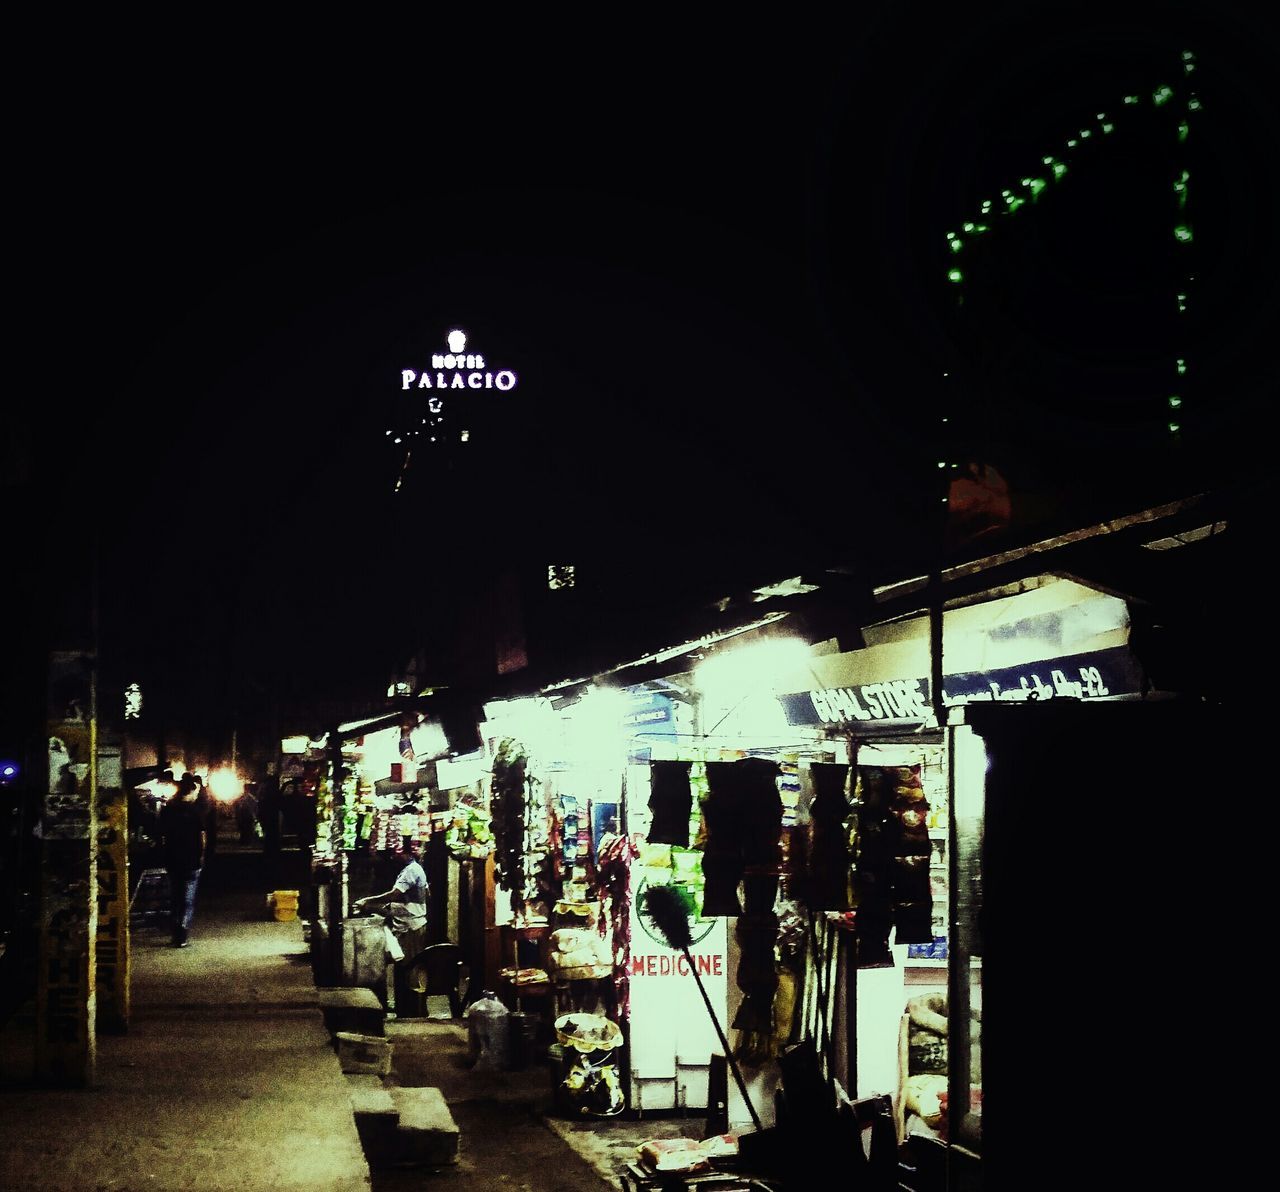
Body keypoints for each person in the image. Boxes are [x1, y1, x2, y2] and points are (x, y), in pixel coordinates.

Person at [353, 839, 430, 1001]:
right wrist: (392, 906)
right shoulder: (416, 869)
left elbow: (395, 893)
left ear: (406, 853)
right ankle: (411, 1006)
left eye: (398, 852)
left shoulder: (410, 870)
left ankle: (410, 1008)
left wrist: (368, 900)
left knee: (408, 967)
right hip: (414, 924)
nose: (394, 855)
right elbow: (424, 894)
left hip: (410, 926)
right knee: (410, 967)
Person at [158, 773, 213, 947]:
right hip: (191, 859)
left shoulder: (168, 810)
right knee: (187, 899)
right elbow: (202, 836)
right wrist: (202, 856)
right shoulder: (196, 812)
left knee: (175, 896)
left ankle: (175, 932)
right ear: (189, 792)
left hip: (172, 858)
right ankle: (182, 934)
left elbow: (161, 834)